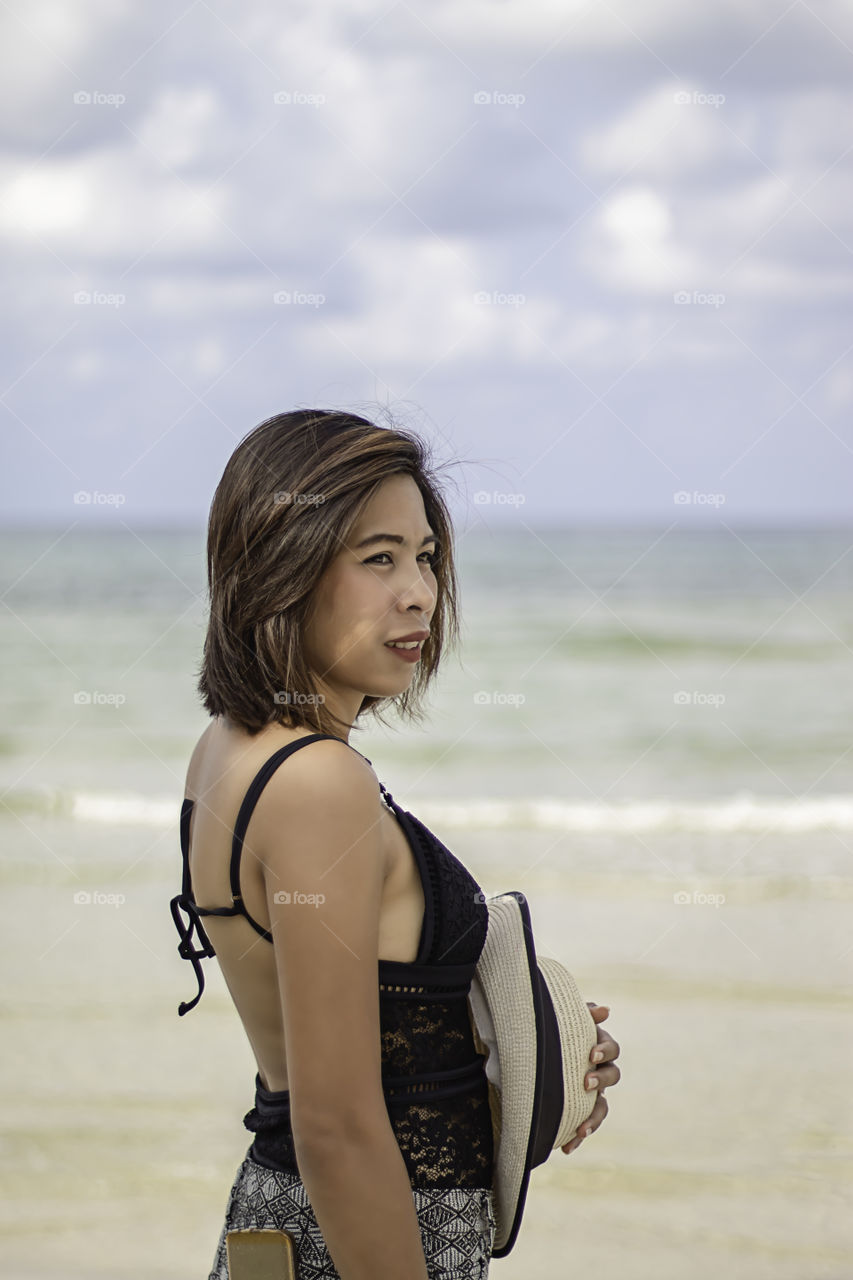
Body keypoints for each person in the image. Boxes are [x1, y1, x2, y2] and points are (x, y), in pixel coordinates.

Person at [170, 409, 621, 1280]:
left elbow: (354, 1045)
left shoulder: (230, 744)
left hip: (284, 1224)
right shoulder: (318, 783)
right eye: (378, 558)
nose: (418, 592)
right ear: (282, 567)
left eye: (425, 558)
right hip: (369, 1240)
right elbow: (334, 1124)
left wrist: (541, 1057)